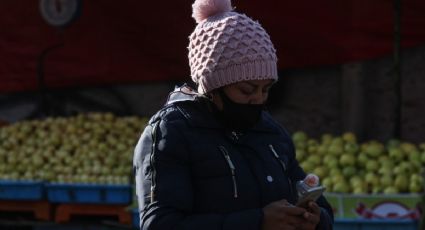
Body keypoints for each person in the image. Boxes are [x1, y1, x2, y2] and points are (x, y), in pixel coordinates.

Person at [133, 0, 334, 229]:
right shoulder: (171, 133)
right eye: (247, 90)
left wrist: (316, 220)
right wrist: (258, 222)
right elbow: (159, 224)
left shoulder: (269, 133)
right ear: (213, 86)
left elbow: (320, 205)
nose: (258, 99)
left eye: (266, 89)